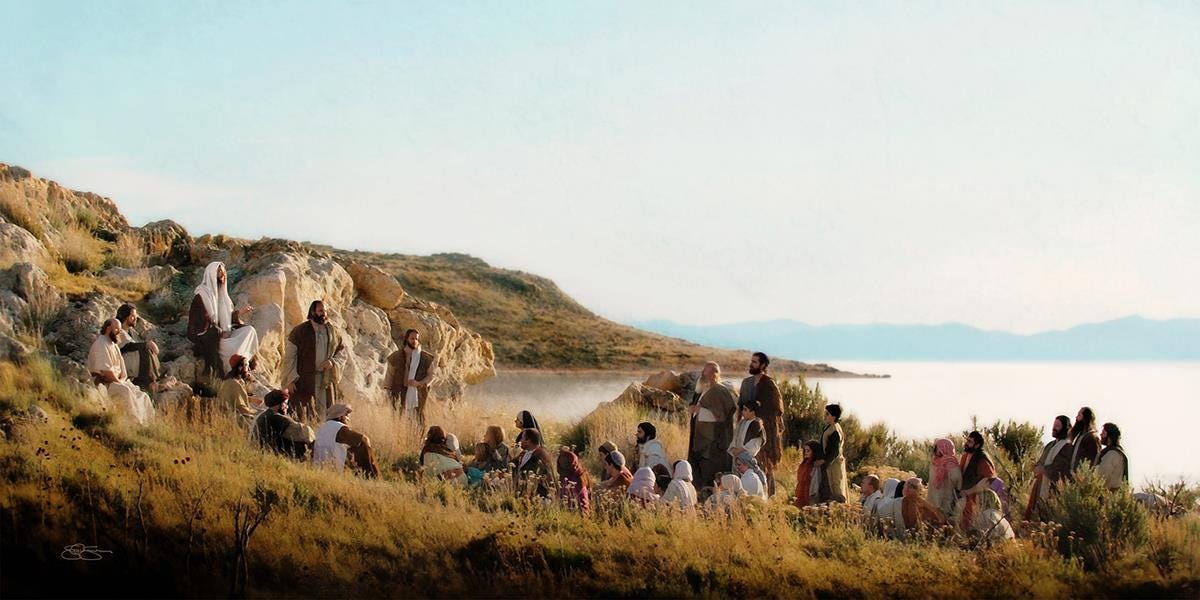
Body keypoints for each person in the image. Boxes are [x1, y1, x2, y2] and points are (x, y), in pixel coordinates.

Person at [187, 261, 259, 380]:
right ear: (211, 275)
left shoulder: (222, 293)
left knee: (250, 331)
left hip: (225, 333)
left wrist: (239, 313)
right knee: (231, 348)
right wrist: (220, 331)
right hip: (211, 336)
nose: (222, 274)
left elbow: (227, 318)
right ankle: (236, 367)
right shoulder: (202, 296)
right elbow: (202, 322)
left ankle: (244, 363)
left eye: (223, 271)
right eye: (218, 271)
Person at [284, 300, 348, 423]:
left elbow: (342, 351)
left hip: (325, 379)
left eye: (325, 311)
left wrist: (333, 362)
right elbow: (290, 357)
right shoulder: (300, 331)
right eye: (320, 311)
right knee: (304, 413)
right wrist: (290, 379)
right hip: (304, 379)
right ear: (312, 312)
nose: (323, 314)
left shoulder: (333, 331)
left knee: (325, 413)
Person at [86, 319, 155, 425]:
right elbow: (106, 371)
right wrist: (119, 382)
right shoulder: (101, 344)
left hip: (119, 381)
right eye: (117, 329)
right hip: (106, 383)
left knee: (143, 395)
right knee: (125, 391)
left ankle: (147, 425)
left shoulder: (114, 345)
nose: (119, 332)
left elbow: (122, 369)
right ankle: (134, 424)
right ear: (108, 328)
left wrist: (123, 380)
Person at [688, 362, 738, 496]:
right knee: (699, 470)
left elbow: (722, 415)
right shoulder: (703, 389)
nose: (702, 374)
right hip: (700, 439)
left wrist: (700, 410)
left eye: (706, 371)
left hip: (714, 442)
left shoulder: (720, 391)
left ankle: (713, 499)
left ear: (714, 374)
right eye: (703, 370)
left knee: (711, 472)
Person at [738, 352, 784, 495]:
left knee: (765, 465)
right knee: (746, 461)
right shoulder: (746, 383)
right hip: (747, 429)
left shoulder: (769, 384)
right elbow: (740, 406)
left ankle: (768, 496)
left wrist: (759, 412)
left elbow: (777, 409)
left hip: (765, 431)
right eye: (751, 361)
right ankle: (749, 495)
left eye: (755, 362)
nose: (751, 364)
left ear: (763, 365)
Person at [383, 329, 436, 424]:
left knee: (418, 420)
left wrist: (419, 383)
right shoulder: (396, 356)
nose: (414, 341)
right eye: (412, 338)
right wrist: (387, 392)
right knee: (397, 419)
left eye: (416, 339)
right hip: (398, 392)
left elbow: (431, 375)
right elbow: (389, 376)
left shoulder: (425, 358)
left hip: (418, 394)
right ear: (406, 339)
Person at [1025, 415, 1073, 519]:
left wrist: (1044, 470)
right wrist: (1035, 466)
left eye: (1058, 426)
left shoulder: (1067, 447)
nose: (1054, 428)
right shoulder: (1050, 445)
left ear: (1065, 428)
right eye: (1054, 425)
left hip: (1053, 490)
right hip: (1040, 486)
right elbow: (1040, 462)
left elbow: (1061, 468)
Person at [313, 403, 380, 478]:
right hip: (335, 468)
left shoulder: (322, 427)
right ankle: (373, 476)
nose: (349, 419)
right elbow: (364, 439)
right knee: (362, 445)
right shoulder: (339, 428)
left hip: (319, 467)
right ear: (340, 416)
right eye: (346, 415)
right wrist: (369, 450)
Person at [254, 390, 313, 459]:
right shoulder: (278, 418)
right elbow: (303, 432)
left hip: (259, 452)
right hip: (273, 455)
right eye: (285, 403)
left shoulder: (262, 415)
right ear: (279, 404)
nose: (287, 407)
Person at [114, 303, 160, 392]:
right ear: (125, 317)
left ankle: (153, 378)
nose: (135, 318)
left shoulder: (131, 331)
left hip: (133, 362)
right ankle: (146, 381)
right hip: (123, 363)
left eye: (135, 316)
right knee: (144, 348)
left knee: (147, 349)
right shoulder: (118, 331)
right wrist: (147, 344)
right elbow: (125, 347)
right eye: (132, 316)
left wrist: (148, 344)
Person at [959, 430, 999, 529]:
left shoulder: (982, 458)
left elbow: (987, 481)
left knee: (975, 525)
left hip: (977, 498)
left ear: (977, 445)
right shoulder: (965, 456)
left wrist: (969, 491)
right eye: (967, 440)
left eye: (970, 442)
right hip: (965, 497)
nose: (966, 443)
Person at [817, 404, 848, 503]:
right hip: (830, 464)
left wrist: (824, 461)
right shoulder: (831, 428)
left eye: (827, 414)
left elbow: (834, 451)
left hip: (833, 465)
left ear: (833, 417)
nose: (825, 416)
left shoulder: (834, 431)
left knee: (835, 490)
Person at [218, 355, 260, 424]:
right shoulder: (234, 384)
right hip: (234, 419)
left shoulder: (238, 381)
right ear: (240, 367)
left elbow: (237, 397)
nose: (249, 369)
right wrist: (258, 414)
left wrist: (252, 400)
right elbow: (241, 408)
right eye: (246, 365)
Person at [513, 428, 555, 498]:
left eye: (522, 438)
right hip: (522, 493)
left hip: (536, 495)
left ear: (528, 441)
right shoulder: (523, 453)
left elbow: (544, 477)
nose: (520, 441)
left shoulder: (541, 455)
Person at [928, 438, 962, 516]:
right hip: (934, 500)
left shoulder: (950, 463)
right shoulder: (935, 461)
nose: (935, 450)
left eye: (937, 447)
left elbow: (957, 479)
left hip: (947, 500)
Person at [557, 448, 591, 513]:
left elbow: (575, 500)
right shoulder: (580, 473)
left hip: (578, 512)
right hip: (573, 510)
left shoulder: (576, 478)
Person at [1096, 422, 1128, 491]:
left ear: (1109, 436)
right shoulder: (1114, 452)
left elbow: (1101, 476)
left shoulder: (1112, 454)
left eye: (1103, 433)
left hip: (1109, 493)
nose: (1101, 434)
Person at [794, 440, 827, 508]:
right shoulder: (804, 464)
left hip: (811, 494)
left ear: (814, 452)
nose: (806, 453)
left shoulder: (815, 466)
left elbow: (816, 481)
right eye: (805, 450)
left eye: (808, 451)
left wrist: (812, 495)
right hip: (802, 492)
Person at [1069, 407, 1101, 473]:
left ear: (1085, 418)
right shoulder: (1080, 436)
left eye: (1079, 415)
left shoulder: (1091, 437)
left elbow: (1093, 461)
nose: (1076, 417)